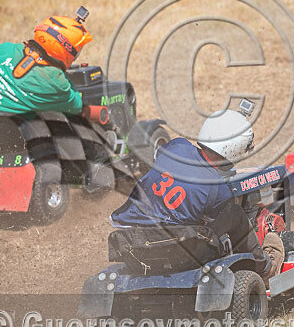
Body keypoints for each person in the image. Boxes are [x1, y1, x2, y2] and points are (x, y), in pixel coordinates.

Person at [110, 109, 284, 280]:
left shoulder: (178, 146)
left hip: (133, 240)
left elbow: (158, 160)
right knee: (235, 214)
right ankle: (266, 268)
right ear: (234, 148)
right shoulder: (218, 189)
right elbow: (209, 227)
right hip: (175, 250)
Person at [0, 14, 93, 115]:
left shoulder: (6, 49)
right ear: (65, 51)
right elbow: (75, 106)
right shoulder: (57, 84)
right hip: (2, 133)